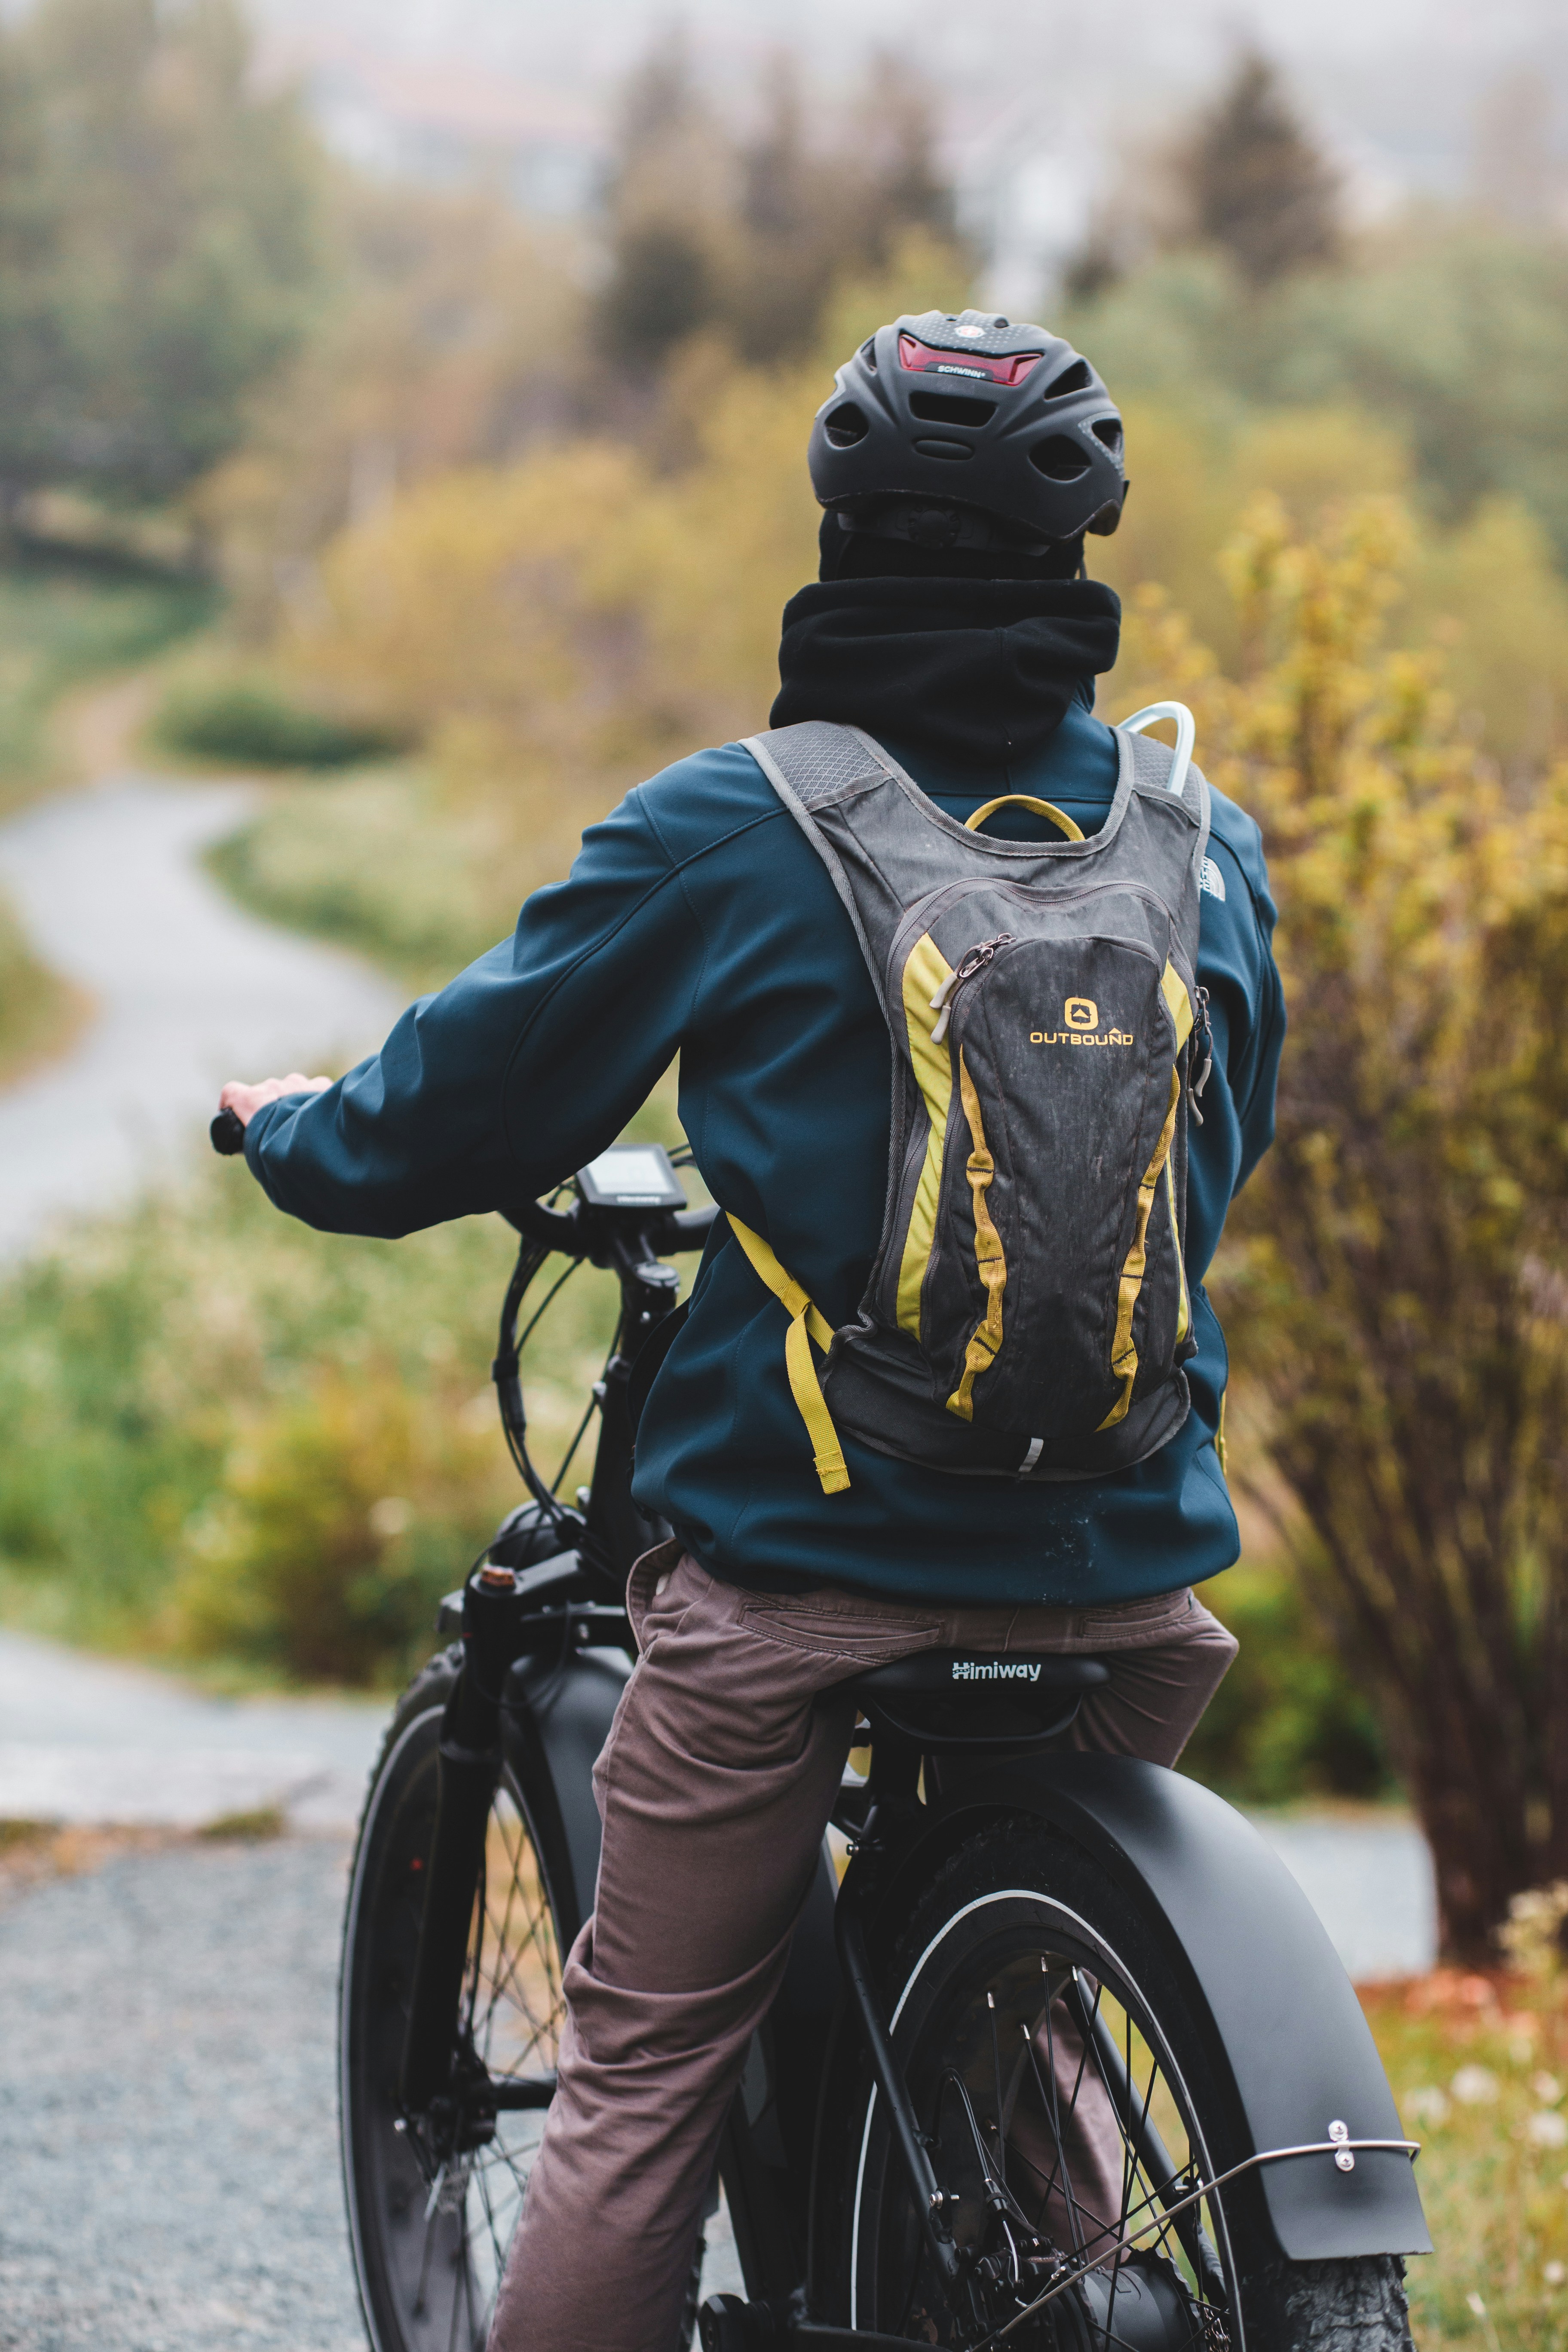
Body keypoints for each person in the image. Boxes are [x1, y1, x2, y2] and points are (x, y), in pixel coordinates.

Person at [222, 309, 1283, 2352]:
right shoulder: (1200, 847)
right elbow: (1213, 1165)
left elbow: (464, 1101)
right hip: (1133, 1593)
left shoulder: (747, 821)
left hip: (810, 1579)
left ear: (840, 522)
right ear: (1091, 545)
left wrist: (294, 1138)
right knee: (1017, 2008)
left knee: (641, 2086)